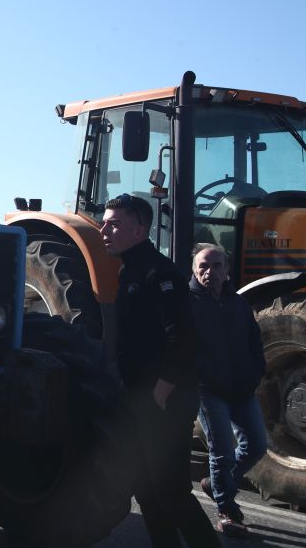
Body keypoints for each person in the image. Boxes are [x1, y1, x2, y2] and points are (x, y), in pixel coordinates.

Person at [98, 194, 220, 548]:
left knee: (172, 492)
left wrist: (158, 396)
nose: (104, 229)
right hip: (138, 397)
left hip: (163, 400)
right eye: (105, 222)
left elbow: (181, 340)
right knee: (147, 491)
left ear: (139, 229)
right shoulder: (129, 270)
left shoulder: (159, 272)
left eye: (114, 224)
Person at [190, 244, 267, 536]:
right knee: (221, 450)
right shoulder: (188, 303)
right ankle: (226, 510)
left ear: (227, 270)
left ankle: (216, 483)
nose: (211, 272)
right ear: (194, 271)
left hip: (241, 388)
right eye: (204, 267)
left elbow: (254, 342)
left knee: (256, 446)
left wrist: (256, 372)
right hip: (209, 390)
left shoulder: (238, 304)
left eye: (217, 265)